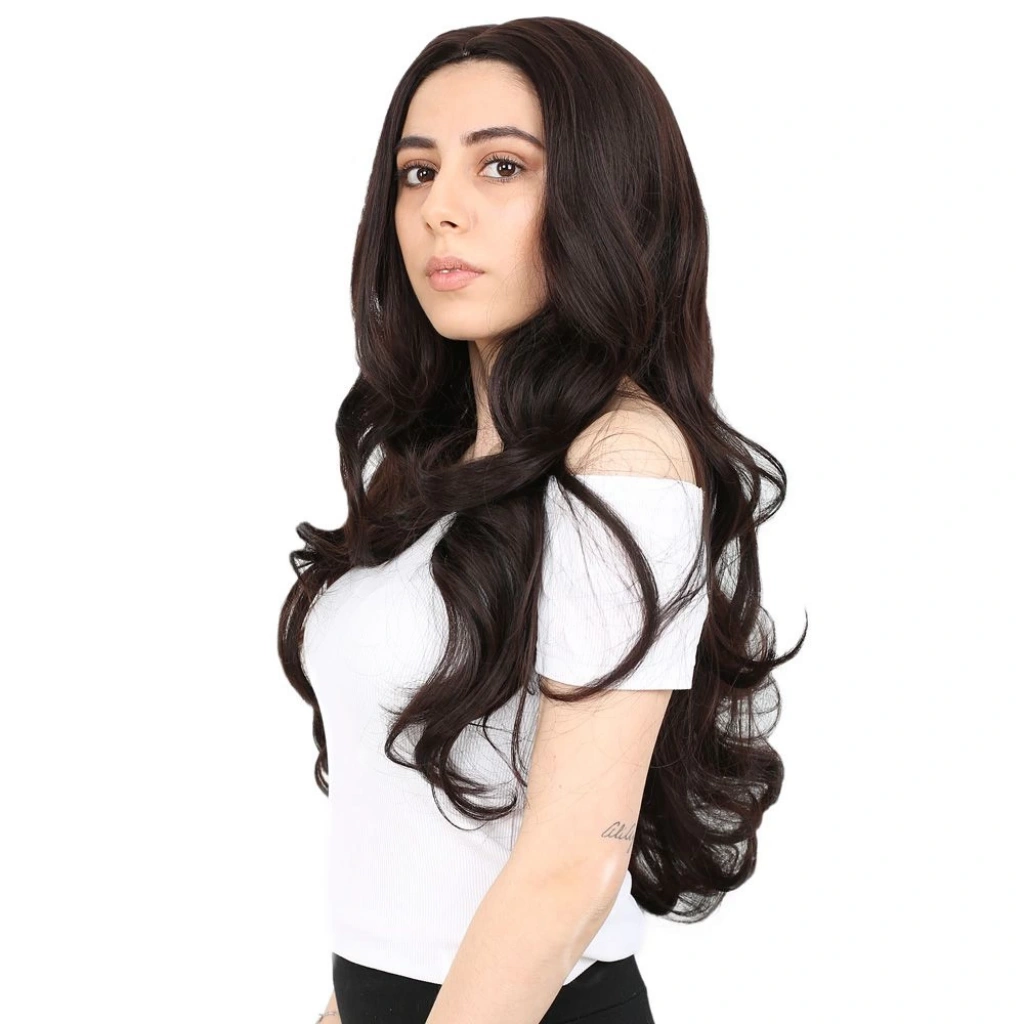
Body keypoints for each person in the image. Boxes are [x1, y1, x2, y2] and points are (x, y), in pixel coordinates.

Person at [279, 15, 805, 1024]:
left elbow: (570, 870)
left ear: (604, 198)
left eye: (502, 166)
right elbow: (399, 864)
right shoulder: (427, 467)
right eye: (418, 173)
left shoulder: (628, 459)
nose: (441, 210)